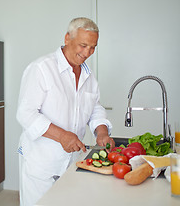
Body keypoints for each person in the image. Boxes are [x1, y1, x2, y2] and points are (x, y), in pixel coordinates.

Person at [16, 17, 115, 206]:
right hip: (41, 162)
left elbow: (95, 107)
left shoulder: (88, 75)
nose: (87, 53)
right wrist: (62, 136)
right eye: (83, 45)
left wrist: (101, 131)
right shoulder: (41, 68)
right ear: (67, 38)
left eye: (93, 47)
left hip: (71, 162)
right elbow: (25, 113)